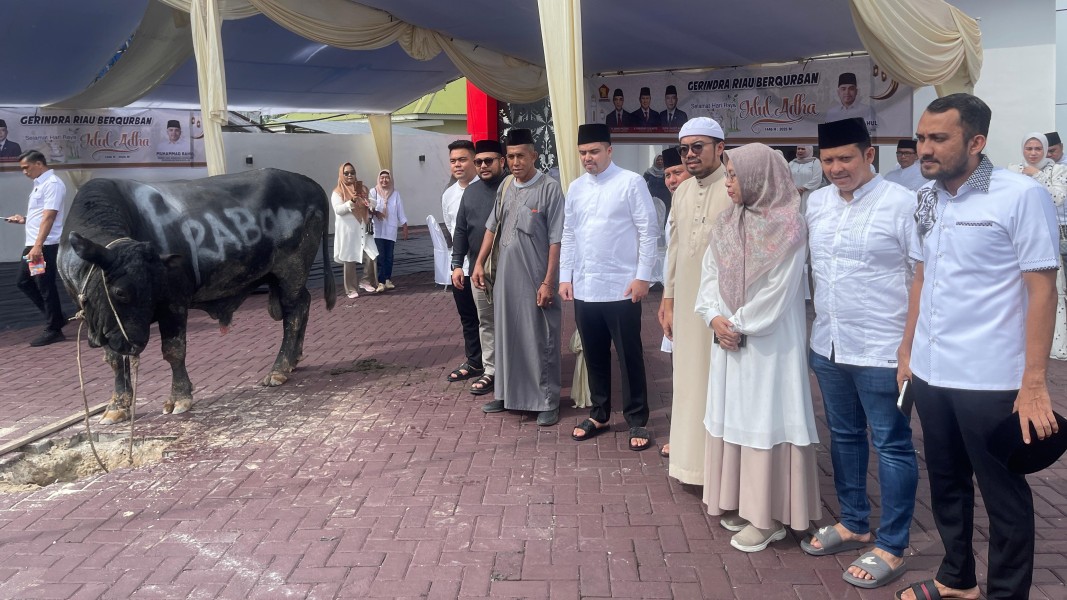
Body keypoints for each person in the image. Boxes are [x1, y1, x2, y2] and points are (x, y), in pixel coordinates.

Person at [895, 93, 1061, 600]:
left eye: (939, 139)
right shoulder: (929, 196)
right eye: (923, 137)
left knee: (1004, 495)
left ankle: (1007, 594)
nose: (925, 148)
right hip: (931, 371)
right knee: (945, 484)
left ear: (977, 141)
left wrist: (1034, 382)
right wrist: (906, 352)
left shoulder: (1020, 196)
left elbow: (1042, 288)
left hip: (991, 378)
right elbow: (922, 276)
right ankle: (957, 579)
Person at [800, 117, 918, 590]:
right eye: (828, 160)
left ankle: (892, 545)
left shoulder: (903, 204)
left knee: (892, 444)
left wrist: (909, 348)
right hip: (828, 343)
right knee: (845, 437)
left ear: (870, 155)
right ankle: (853, 522)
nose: (836, 168)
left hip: (882, 348)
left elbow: (922, 279)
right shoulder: (816, 204)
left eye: (845, 158)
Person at [695, 143, 820, 553]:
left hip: (768, 345)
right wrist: (715, 317)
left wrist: (739, 325)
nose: (728, 184)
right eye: (728, 175)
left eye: (734, 176)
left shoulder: (789, 226)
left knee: (766, 416)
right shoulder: (727, 222)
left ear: (758, 177)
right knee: (735, 413)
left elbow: (779, 292)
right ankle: (743, 503)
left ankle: (768, 518)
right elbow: (710, 275)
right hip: (729, 340)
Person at [561, 123, 658, 450]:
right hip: (586, 288)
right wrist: (565, 277)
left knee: (629, 355)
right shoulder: (575, 187)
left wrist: (643, 276)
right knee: (594, 354)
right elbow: (570, 234)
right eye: (583, 153)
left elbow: (648, 231)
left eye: (594, 151)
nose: (588, 158)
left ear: (609, 150)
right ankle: (599, 412)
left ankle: (636, 419)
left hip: (622, 287)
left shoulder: (631, 183)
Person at [471, 128, 564, 427]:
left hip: (536, 276)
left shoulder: (550, 188)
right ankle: (506, 394)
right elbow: (492, 226)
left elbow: (556, 239)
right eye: (510, 156)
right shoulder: (506, 185)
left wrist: (549, 281)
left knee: (540, 337)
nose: (515, 162)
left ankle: (547, 400)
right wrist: (479, 262)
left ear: (534, 156)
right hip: (505, 279)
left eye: (520, 156)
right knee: (506, 334)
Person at [657, 117, 731, 480]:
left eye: (697, 147)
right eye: (685, 148)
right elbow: (674, 248)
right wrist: (667, 300)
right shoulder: (682, 191)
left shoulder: (734, 186)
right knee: (686, 380)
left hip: (723, 304)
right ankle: (689, 464)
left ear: (720, 148)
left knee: (718, 381)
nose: (690, 155)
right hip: (686, 301)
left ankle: (719, 470)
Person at [452, 139, 506, 395]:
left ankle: (514, 371)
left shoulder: (511, 188)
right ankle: (491, 371)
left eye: (489, 160)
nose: (483, 165)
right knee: (486, 322)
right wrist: (456, 264)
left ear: (501, 161)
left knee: (513, 321)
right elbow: (461, 230)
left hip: (511, 269)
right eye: (479, 162)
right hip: (478, 270)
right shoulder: (470, 193)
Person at [1007, 132, 1067, 361]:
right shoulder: (1013, 169)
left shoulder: (1057, 170)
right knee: (1016, 290)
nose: (1033, 154)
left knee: (1051, 291)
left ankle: (1055, 347)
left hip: (1046, 236)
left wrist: (1038, 175)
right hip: (1018, 236)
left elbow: (1057, 198)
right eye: (1029, 149)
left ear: (1045, 150)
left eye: (1038, 149)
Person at [5, 150, 67, 346]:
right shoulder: (40, 184)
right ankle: (56, 317)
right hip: (33, 245)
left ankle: (54, 329)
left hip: (42, 247)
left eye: (26, 167)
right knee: (24, 282)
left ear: (39, 164)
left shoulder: (53, 185)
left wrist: (38, 246)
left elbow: (50, 217)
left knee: (44, 286)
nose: (24, 172)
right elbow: (41, 215)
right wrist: (24, 219)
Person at [442, 140, 484, 384]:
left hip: (485, 267)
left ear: (474, 160)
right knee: (468, 317)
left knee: (488, 319)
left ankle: (495, 364)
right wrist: (456, 265)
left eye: (462, 159)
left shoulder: (487, 189)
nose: (457, 164)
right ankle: (474, 360)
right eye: (453, 160)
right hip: (461, 268)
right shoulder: (448, 195)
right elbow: (453, 231)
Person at [330, 163, 378, 299]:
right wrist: (351, 201)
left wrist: (367, 201)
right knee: (349, 258)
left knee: (372, 255)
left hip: (363, 228)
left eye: (352, 172)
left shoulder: (362, 188)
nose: (350, 175)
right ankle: (350, 289)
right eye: (346, 173)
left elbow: (373, 203)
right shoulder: (337, 191)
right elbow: (338, 210)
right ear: (341, 174)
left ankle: (365, 281)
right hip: (348, 231)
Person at [370, 169, 408, 291]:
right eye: (382, 177)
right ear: (378, 179)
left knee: (389, 256)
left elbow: (400, 210)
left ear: (390, 179)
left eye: (387, 177)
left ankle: (387, 280)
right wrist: (376, 212)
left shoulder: (395, 194)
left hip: (390, 230)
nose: (384, 180)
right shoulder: (373, 192)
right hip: (378, 229)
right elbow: (369, 208)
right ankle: (380, 282)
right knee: (380, 256)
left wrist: (404, 225)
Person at [789, 145, 823, 211]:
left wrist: (803, 188)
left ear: (809, 150)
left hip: (808, 193)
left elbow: (817, 178)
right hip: (793, 193)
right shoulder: (792, 163)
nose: (800, 151)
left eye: (803, 149)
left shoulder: (815, 162)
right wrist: (793, 188)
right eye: (798, 149)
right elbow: (786, 177)